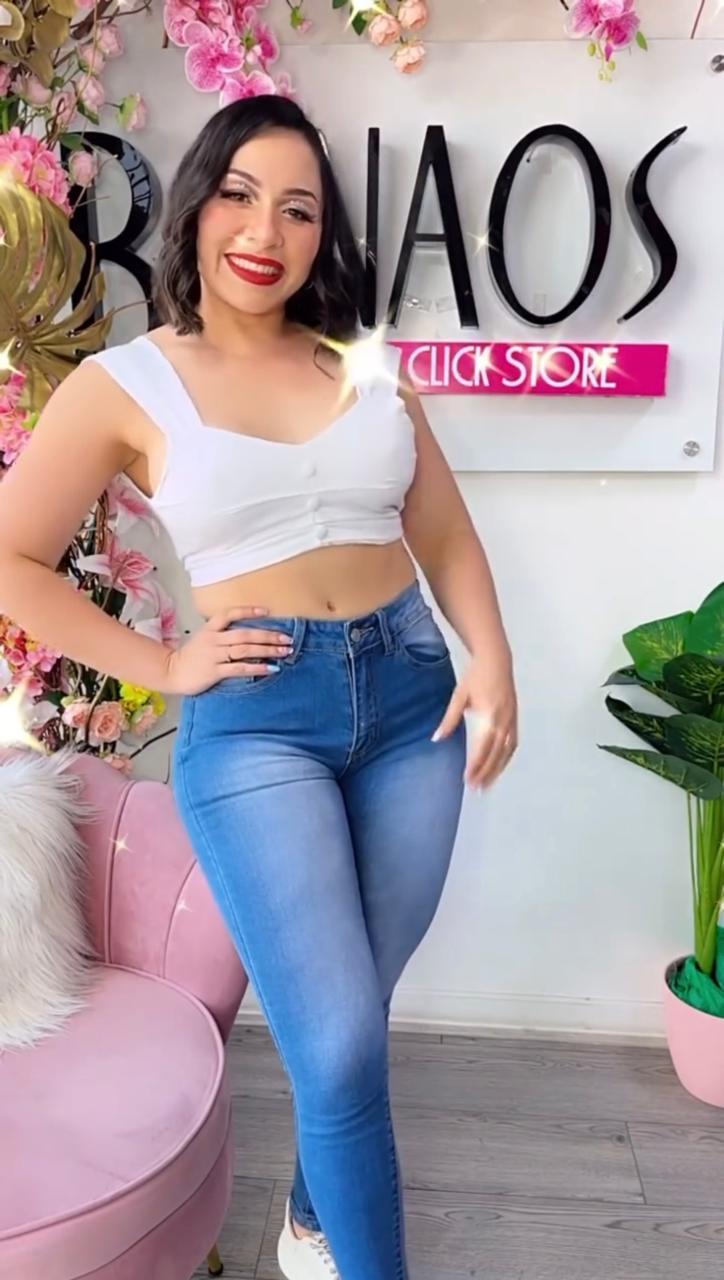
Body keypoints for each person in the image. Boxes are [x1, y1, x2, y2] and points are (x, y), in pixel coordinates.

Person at [0, 96, 517, 1280]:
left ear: (323, 233)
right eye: (238, 194)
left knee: (354, 1023)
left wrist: (491, 654)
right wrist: (162, 663)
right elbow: (11, 553)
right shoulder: (127, 382)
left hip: (412, 704)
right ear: (195, 206)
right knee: (333, 1045)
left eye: (297, 208)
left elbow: (440, 529)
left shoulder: (361, 366)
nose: (263, 230)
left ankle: (313, 1216)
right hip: (257, 723)